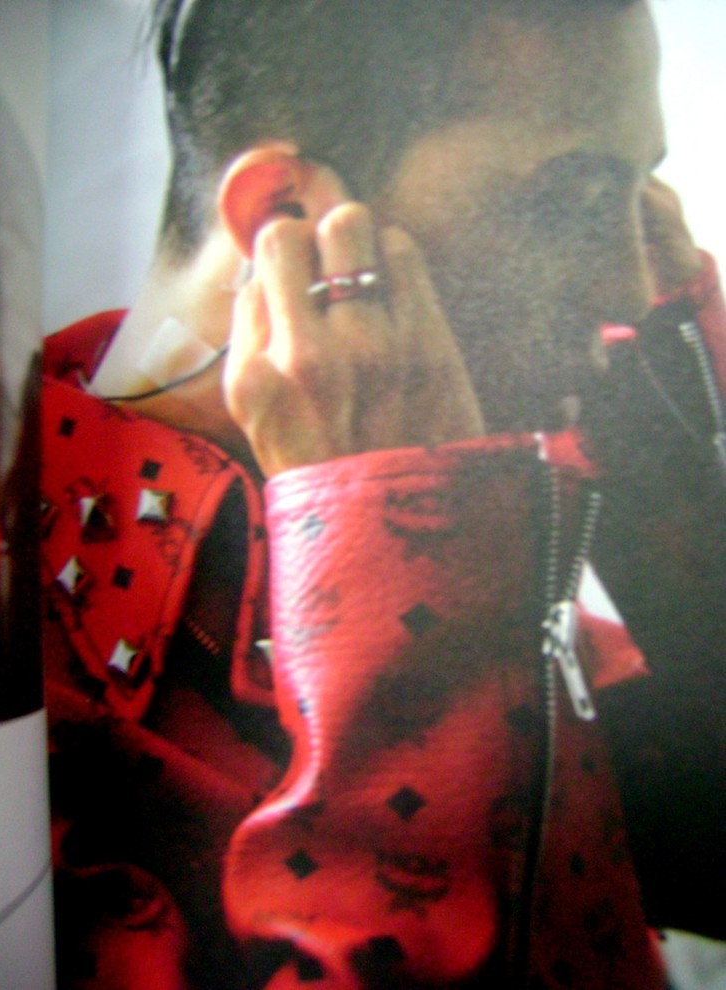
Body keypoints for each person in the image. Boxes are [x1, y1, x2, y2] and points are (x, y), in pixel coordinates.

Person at [38, 1, 725, 987]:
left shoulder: (511, 579)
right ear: (288, 219)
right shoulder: (18, 642)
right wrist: (400, 578)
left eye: (639, 193)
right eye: (572, 199)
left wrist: (676, 480)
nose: (629, 290)